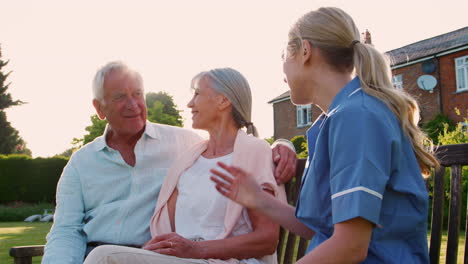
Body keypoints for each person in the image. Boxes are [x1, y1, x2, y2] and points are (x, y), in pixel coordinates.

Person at [211, 7, 440, 264]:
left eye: (284, 55)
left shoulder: (357, 117)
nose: (282, 69)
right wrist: (259, 199)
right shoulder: (343, 116)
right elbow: (321, 229)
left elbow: (351, 247)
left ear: (305, 51)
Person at [43, 62, 296, 264]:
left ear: (222, 101)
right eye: (121, 97)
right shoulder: (192, 154)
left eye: (138, 94)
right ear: (100, 108)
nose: (133, 104)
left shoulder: (183, 143)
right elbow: (65, 229)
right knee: (102, 256)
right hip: (152, 255)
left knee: (105, 258)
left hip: (175, 257)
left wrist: (283, 144)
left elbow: (242, 145)